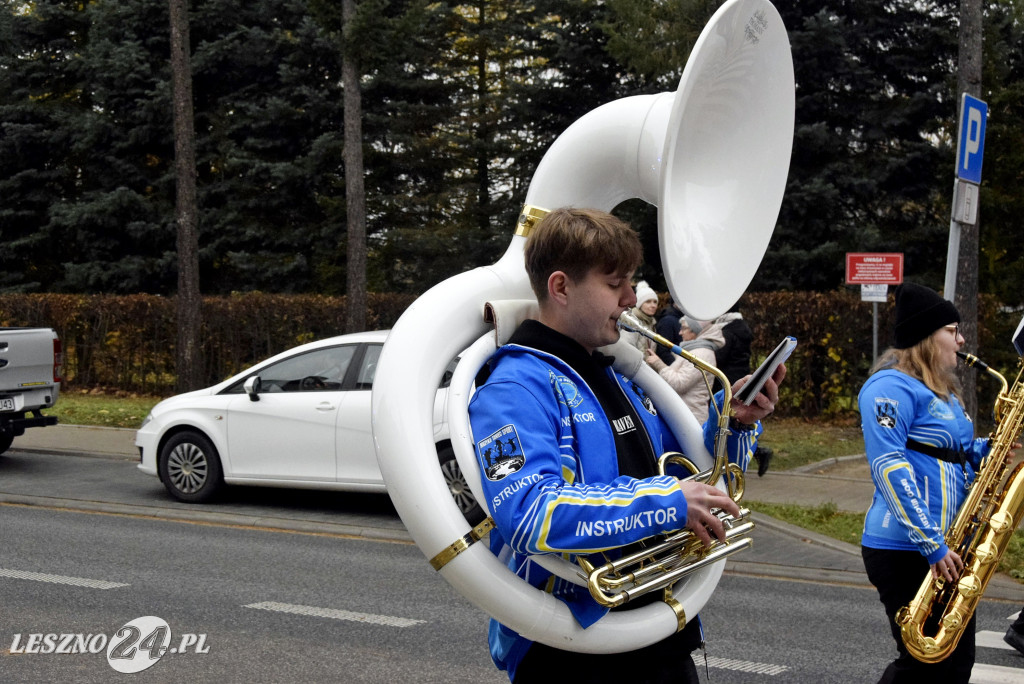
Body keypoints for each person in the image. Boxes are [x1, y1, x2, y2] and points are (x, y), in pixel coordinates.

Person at [467, 207, 784, 683]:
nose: (631, 298)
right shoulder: (514, 388)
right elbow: (530, 514)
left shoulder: (617, 373)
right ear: (560, 287)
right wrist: (666, 504)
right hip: (572, 648)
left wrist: (735, 426)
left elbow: (697, 476)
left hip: (655, 630)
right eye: (615, 284)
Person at [859, 282, 992, 684]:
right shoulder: (888, 387)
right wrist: (931, 544)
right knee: (923, 663)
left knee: (956, 664)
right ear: (926, 337)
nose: (962, 339)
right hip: (906, 549)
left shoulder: (944, 392)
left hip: (949, 546)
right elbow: (889, 466)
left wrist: (992, 447)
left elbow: (957, 454)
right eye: (953, 330)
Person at [713, 307, 773, 475]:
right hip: (741, 374)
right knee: (737, 421)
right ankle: (757, 452)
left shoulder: (728, 330)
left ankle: (755, 452)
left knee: (727, 420)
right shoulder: (742, 326)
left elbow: (721, 356)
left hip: (728, 379)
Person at [644, 315, 725, 424]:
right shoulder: (695, 351)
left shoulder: (700, 354)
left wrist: (659, 364)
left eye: (683, 328)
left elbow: (679, 384)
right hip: (686, 415)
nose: (680, 333)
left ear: (695, 331)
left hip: (690, 418)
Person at [620, 281, 659, 355]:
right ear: (640, 304)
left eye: (655, 302)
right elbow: (626, 350)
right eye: (648, 302)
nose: (653, 305)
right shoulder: (632, 322)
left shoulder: (651, 323)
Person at [653, 297, 684, 365]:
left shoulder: (681, 318)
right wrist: (676, 367)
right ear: (674, 301)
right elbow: (663, 351)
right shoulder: (667, 321)